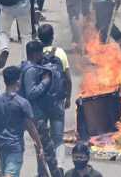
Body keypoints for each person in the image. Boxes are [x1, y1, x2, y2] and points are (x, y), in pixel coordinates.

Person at [0, 65, 45, 177]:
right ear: (18, 81)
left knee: (2, 174)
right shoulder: (23, 103)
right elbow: (31, 127)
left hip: (0, 145)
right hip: (15, 147)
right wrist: (39, 145)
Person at [19, 40, 63, 177]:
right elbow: (31, 93)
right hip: (36, 116)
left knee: (41, 148)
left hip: (35, 114)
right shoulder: (31, 70)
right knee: (48, 150)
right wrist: (45, 81)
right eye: (40, 53)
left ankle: (42, 173)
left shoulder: (28, 66)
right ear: (35, 54)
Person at [37, 24, 72, 163]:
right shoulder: (60, 53)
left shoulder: (35, 53)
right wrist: (68, 97)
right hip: (57, 101)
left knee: (40, 139)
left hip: (40, 102)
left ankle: (42, 170)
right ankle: (60, 168)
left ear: (39, 38)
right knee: (58, 140)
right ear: (52, 37)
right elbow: (68, 79)